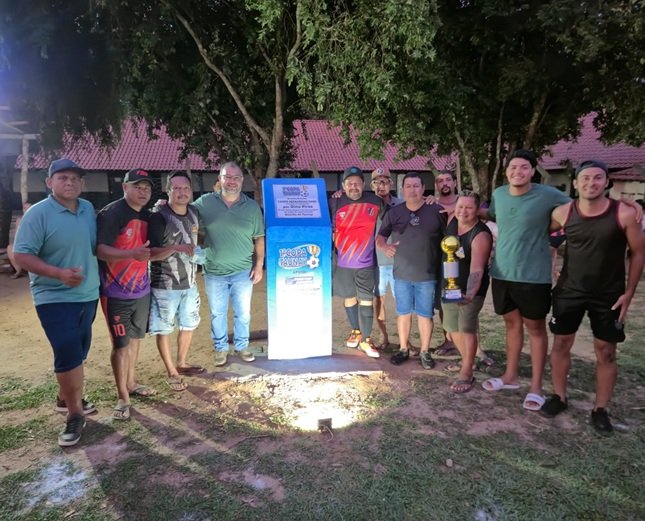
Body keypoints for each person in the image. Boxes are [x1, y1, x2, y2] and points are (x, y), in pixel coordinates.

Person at [540, 160, 645, 433]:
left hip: (609, 294)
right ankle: (559, 397)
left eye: (598, 178)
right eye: (585, 178)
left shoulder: (623, 214)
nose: (591, 183)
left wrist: (629, 293)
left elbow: (638, 253)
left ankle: (600, 408)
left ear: (607, 181)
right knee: (561, 344)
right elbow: (542, 232)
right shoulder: (563, 212)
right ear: (575, 183)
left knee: (606, 351)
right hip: (569, 291)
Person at [13, 158, 99, 447]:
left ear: (82, 183)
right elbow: (22, 255)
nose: (70, 182)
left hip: (88, 294)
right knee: (67, 351)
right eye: (63, 178)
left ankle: (65, 397)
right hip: (53, 297)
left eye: (75, 178)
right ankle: (75, 414)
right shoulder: (38, 214)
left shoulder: (87, 209)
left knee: (80, 350)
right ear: (49, 182)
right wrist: (59, 274)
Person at [480, 149, 571, 410]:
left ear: (532, 171)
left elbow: (579, 207)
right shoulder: (499, 194)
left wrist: (628, 205)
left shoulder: (548, 194)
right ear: (506, 171)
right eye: (513, 167)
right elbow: (494, 215)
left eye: (523, 167)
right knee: (511, 325)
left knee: (536, 329)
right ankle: (510, 376)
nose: (517, 172)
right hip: (502, 272)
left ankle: (536, 386)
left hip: (534, 276)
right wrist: (462, 209)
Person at [97, 169, 158, 421]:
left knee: (135, 338)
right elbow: (101, 250)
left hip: (141, 289)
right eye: (137, 187)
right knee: (120, 345)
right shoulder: (112, 213)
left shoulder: (147, 215)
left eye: (147, 188)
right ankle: (122, 396)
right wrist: (130, 254)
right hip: (115, 292)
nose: (143, 192)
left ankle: (131, 383)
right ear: (124, 187)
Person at [192, 162, 265, 367]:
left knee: (243, 313)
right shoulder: (205, 203)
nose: (232, 181)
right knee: (217, 313)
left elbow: (259, 238)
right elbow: (184, 213)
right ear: (220, 179)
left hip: (243, 271)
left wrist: (259, 265)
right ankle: (221, 348)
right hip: (214, 271)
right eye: (227, 177)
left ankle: (242, 346)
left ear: (242, 181)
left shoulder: (251, 207)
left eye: (236, 178)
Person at [376, 172, 446, 369]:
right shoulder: (394, 213)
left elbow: (450, 237)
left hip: (427, 274)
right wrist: (385, 247)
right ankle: (403, 349)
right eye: (408, 186)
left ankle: (424, 351)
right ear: (402, 189)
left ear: (423, 189)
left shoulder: (437, 211)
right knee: (403, 313)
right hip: (402, 275)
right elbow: (380, 236)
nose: (412, 190)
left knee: (425, 315)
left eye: (416, 186)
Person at [148, 172, 204, 391]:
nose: (182, 192)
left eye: (186, 188)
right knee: (164, 329)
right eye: (177, 188)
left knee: (189, 324)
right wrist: (174, 248)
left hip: (190, 282)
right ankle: (171, 372)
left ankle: (182, 363)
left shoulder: (194, 212)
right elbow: (151, 254)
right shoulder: (158, 217)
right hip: (165, 285)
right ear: (168, 191)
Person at [329, 166, 384, 358]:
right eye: (350, 183)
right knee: (349, 297)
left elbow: (393, 214)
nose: (354, 187)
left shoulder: (375, 201)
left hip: (366, 263)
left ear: (364, 184)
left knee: (366, 300)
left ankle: (366, 340)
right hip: (343, 263)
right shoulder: (335, 202)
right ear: (343, 186)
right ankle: (356, 331)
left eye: (357, 183)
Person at [441, 191, 492, 392]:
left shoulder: (480, 235)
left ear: (478, 210)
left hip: (470, 291)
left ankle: (467, 372)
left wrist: (470, 294)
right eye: (460, 206)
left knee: (466, 329)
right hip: (449, 286)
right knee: (452, 328)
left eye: (469, 207)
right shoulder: (452, 221)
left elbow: (477, 269)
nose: (463, 211)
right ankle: (466, 362)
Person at [370, 168, 402, 350]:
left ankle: (405, 340)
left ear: (391, 184)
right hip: (377, 261)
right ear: (371, 185)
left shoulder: (401, 204)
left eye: (385, 181)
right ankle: (384, 336)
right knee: (379, 300)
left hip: (398, 261)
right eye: (377, 182)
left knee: (402, 302)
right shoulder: (367, 205)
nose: (381, 186)